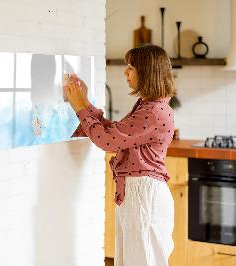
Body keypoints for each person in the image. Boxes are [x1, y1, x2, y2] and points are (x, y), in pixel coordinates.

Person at [64, 44, 176, 266]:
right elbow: (115, 133)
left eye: (131, 67)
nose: (125, 72)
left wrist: (79, 108)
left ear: (147, 72)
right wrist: (85, 103)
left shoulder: (153, 111)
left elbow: (107, 141)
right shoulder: (149, 106)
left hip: (144, 195)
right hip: (139, 193)